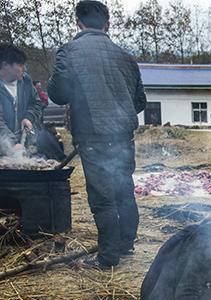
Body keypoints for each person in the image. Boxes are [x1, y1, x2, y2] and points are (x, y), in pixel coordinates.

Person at [48, 0, 146, 269]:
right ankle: (125, 246)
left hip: (93, 137)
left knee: (103, 198)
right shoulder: (126, 57)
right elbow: (139, 102)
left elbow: (57, 93)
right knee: (125, 191)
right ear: (107, 24)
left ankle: (108, 258)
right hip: (124, 136)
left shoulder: (69, 52)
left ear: (78, 22)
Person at [0, 44, 43, 154]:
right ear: (5, 65)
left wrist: (28, 117)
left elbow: (36, 103)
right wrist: (12, 143)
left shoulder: (26, 81)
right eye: (20, 64)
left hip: (24, 146)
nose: (24, 68)